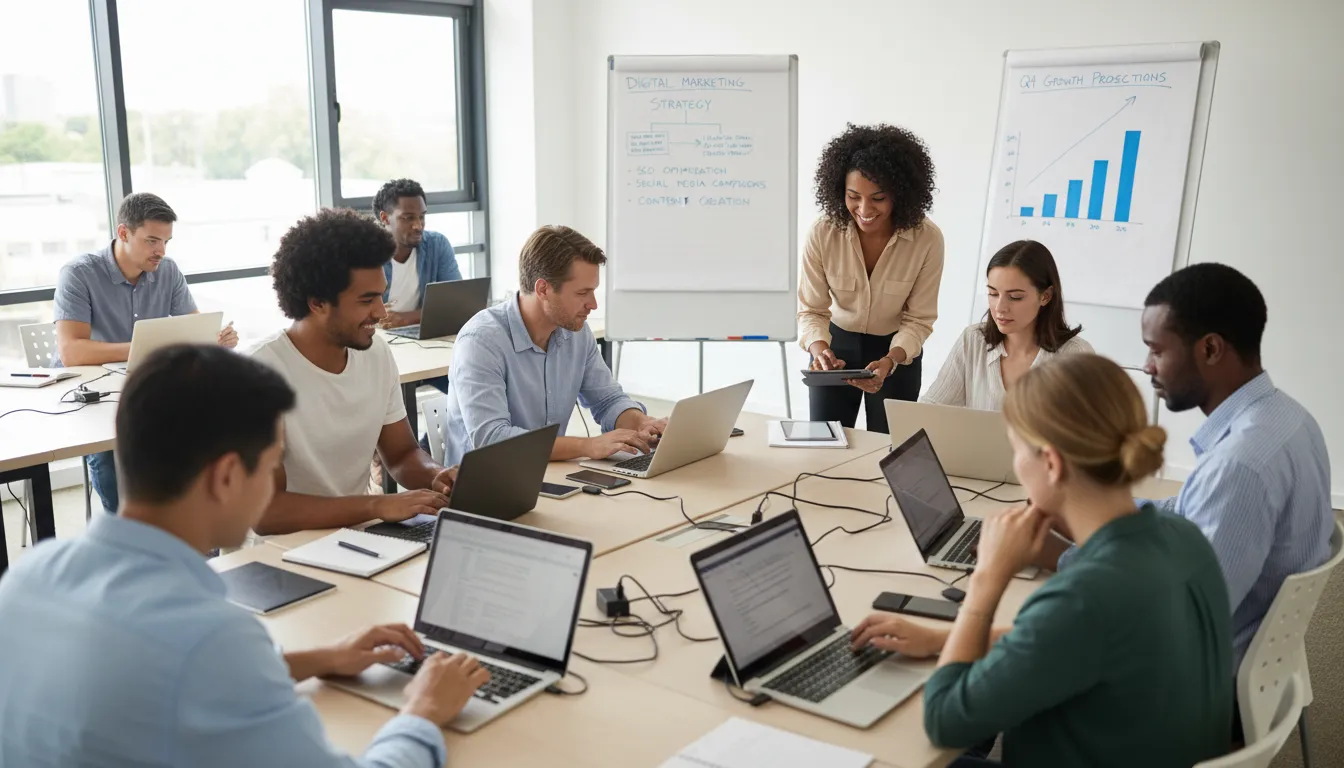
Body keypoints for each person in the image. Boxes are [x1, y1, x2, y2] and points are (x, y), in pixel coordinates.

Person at [0, 344, 489, 767]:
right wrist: (423, 711)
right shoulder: (210, 640)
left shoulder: (27, 580)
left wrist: (320, 658)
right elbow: (198, 666)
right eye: (273, 463)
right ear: (228, 476)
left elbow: (158, 683)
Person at [852, 354, 1233, 767]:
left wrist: (986, 580)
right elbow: (1058, 642)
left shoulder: (1083, 598)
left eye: (1017, 451)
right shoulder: (1184, 537)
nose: (1017, 467)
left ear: (1050, 463)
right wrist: (938, 640)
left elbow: (944, 720)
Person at [1132, 263, 1332, 668]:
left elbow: (1180, 621)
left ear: (1209, 349)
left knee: (1005, 677)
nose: (1147, 366)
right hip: (1250, 667)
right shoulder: (1289, 418)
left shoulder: (1239, 466)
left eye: (1156, 350)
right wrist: (1103, 520)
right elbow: (1192, 512)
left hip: (1197, 688)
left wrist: (1068, 557)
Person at [249, 208, 459, 535]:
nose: (380, 312)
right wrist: (377, 505)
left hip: (355, 540)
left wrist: (437, 475)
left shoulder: (375, 353)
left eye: (381, 295)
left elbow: (402, 454)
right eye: (366, 300)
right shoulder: (257, 373)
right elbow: (266, 512)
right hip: (275, 559)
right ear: (317, 302)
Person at [52, 192, 238, 515]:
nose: (161, 252)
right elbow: (71, 352)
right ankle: (127, 528)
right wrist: (144, 347)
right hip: (91, 393)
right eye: (152, 241)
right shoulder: (79, 274)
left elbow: (193, 327)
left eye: (166, 242)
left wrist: (215, 337)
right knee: (111, 455)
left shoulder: (167, 271)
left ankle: (193, 534)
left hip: (147, 385)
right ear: (123, 233)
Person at [443, 225, 664, 466]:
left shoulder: (575, 332)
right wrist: (586, 446)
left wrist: (642, 424)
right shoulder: (481, 342)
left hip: (549, 474)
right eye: (583, 293)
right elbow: (492, 439)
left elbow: (608, 400)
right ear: (543, 289)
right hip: (487, 485)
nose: (593, 304)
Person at [798, 123, 944, 433]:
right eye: (854, 196)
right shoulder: (823, 233)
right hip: (836, 347)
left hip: (896, 352)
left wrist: (891, 360)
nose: (864, 209)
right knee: (826, 444)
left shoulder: (927, 239)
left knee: (890, 448)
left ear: (900, 195)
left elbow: (918, 320)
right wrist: (820, 351)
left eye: (878, 198)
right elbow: (812, 309)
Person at [922, 240, 1092, 411]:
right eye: (993, 294)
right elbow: (930, 408)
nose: (999, 308)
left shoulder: (1076, 355)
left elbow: (1086, 432)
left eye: (1015, 297)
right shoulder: (974, 339)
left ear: (1046, 296)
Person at [372, 177, 462, 331]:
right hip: (377, 337)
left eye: (422, 216)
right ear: (385, 218)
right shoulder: (366, 252)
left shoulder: (437, 245)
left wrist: (406, 319)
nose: (418, 225)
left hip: (417, 334)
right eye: (408, 218)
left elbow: (455, 305)